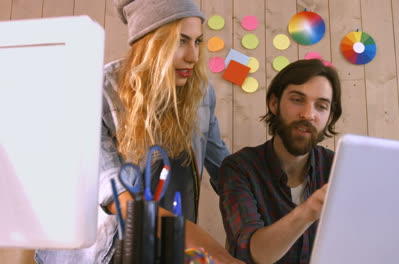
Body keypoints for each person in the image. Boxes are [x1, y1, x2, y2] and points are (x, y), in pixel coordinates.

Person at [35, 0, 243, 263]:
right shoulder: (92, 91)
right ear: (150, 43)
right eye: (180, 41)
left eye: (197, 41)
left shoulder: (200, 92)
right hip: (100, 253)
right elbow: (123, 202)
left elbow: (225, 170)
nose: (193, 56)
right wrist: (218, 255)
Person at [219, 59, 342, 263]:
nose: (308, 114)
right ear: (274, 104)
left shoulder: (337, 168)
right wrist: (309, 211)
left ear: (329, 117)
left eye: (321, 106)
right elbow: (251, 252)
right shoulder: (240, 168)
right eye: (297, 100)